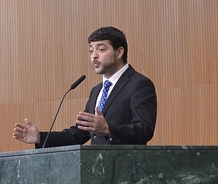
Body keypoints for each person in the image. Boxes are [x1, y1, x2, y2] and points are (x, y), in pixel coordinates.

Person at [13, 26, 157, 147]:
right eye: (91, 51)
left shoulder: (139, 84)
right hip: (95, 168)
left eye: (101, 49)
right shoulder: (97, 90)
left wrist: (108, 129)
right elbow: (79, 133)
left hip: (127, 168)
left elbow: (144, 129)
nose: (94, 56)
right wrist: (40, 137)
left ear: (119, 52)